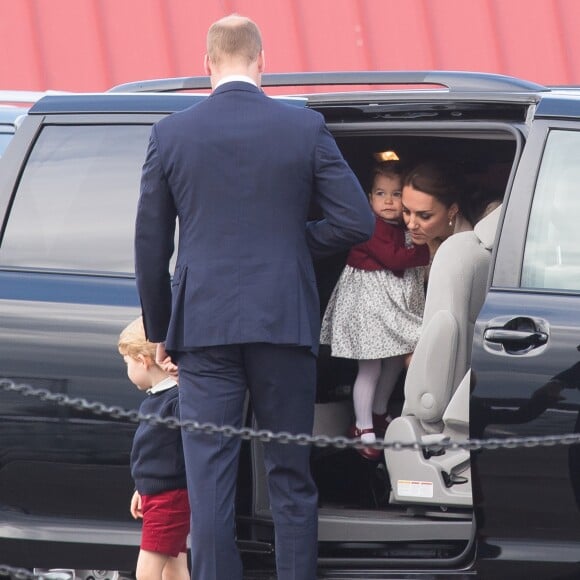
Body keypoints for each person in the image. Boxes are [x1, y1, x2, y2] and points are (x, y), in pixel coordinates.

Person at [134, 14, 374, 580]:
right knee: (291, 474)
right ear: (263, 62)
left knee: (210, 479)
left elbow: (149, 241)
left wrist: (160, 328)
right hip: (283, 320)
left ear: (206, 64)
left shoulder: (172, 133)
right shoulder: (304, 127)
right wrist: (294, 242)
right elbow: (355, 221)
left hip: (204, 327)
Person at [320, 161, 430, 460]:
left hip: (390, 309)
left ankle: (379, 413)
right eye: (381, 193)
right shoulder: (368, 225)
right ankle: (362, 425)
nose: (389, 201)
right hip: (367, 307)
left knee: (395, 360)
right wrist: (424, 250)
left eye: (396, 194)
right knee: (370, 367)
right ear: (369, 198)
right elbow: (394, 259)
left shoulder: (400, 227)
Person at [117, 317, 190, 580]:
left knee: (146, 571)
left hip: (169, 498)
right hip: (160, 494)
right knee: (174, 565)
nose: (127, 369)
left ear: (143, 359)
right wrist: (141, 488)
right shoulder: (158, 400)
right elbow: (156, 453)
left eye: (127, 362)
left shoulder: (176, 400)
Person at [400, 161, 465, 273]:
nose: (411, 224)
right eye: (406, 211)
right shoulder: (401, 240)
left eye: (424, 216)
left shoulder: (479, 240)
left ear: (452, 211)